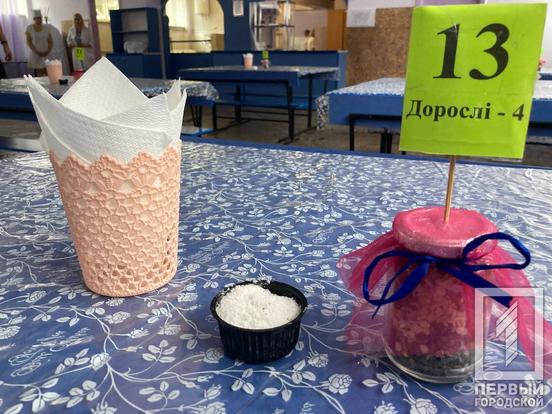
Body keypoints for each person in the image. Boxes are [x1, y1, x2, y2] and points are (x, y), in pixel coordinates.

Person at [25, 9, 52, 76]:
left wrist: (47, 51)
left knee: (48, 72)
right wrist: (37, 52)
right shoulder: (29, 28)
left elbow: (50, 41)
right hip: (35, 54)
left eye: (40, 18)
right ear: (34, 19)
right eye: (38, 18)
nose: (40, 20)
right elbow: (29, 42)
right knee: (39, 73)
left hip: (46, 54)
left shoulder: (46, 28)